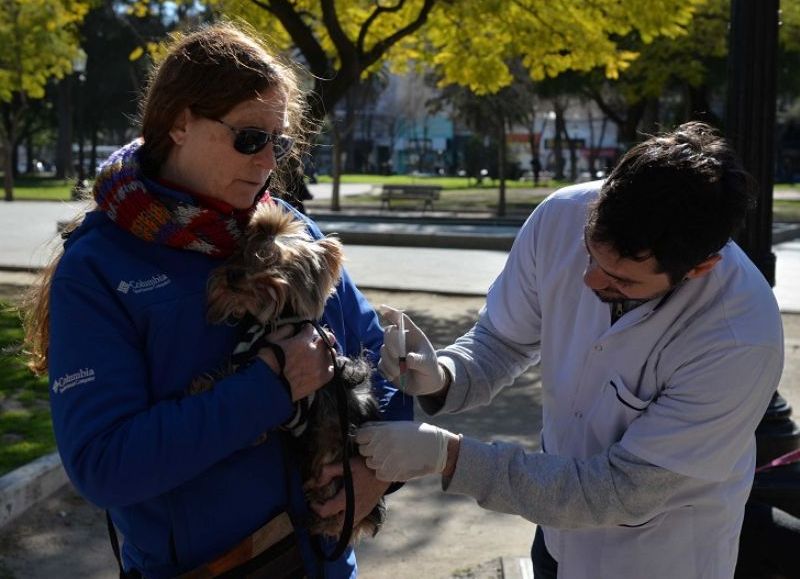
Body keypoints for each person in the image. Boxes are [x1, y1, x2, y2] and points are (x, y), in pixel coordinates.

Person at [23, 22, 410, 579]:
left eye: (278, 143)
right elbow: (102, 464)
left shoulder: (286, 227)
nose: (267, 163)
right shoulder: (100, 265)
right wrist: (273, 385)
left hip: (323, 563)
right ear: (180, 123)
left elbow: (380, 359)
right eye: (250, 138)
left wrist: (377, 474)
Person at [357, 122, 785, 579]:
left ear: (700, 267)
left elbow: (619, 491)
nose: (590, 281)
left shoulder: (739, 338)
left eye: (622, 281)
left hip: (659, 555)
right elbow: (503, 338)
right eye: (589, 252)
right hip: (556, 540)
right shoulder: (561, 217)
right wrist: (445, 373)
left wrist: (449, 458)